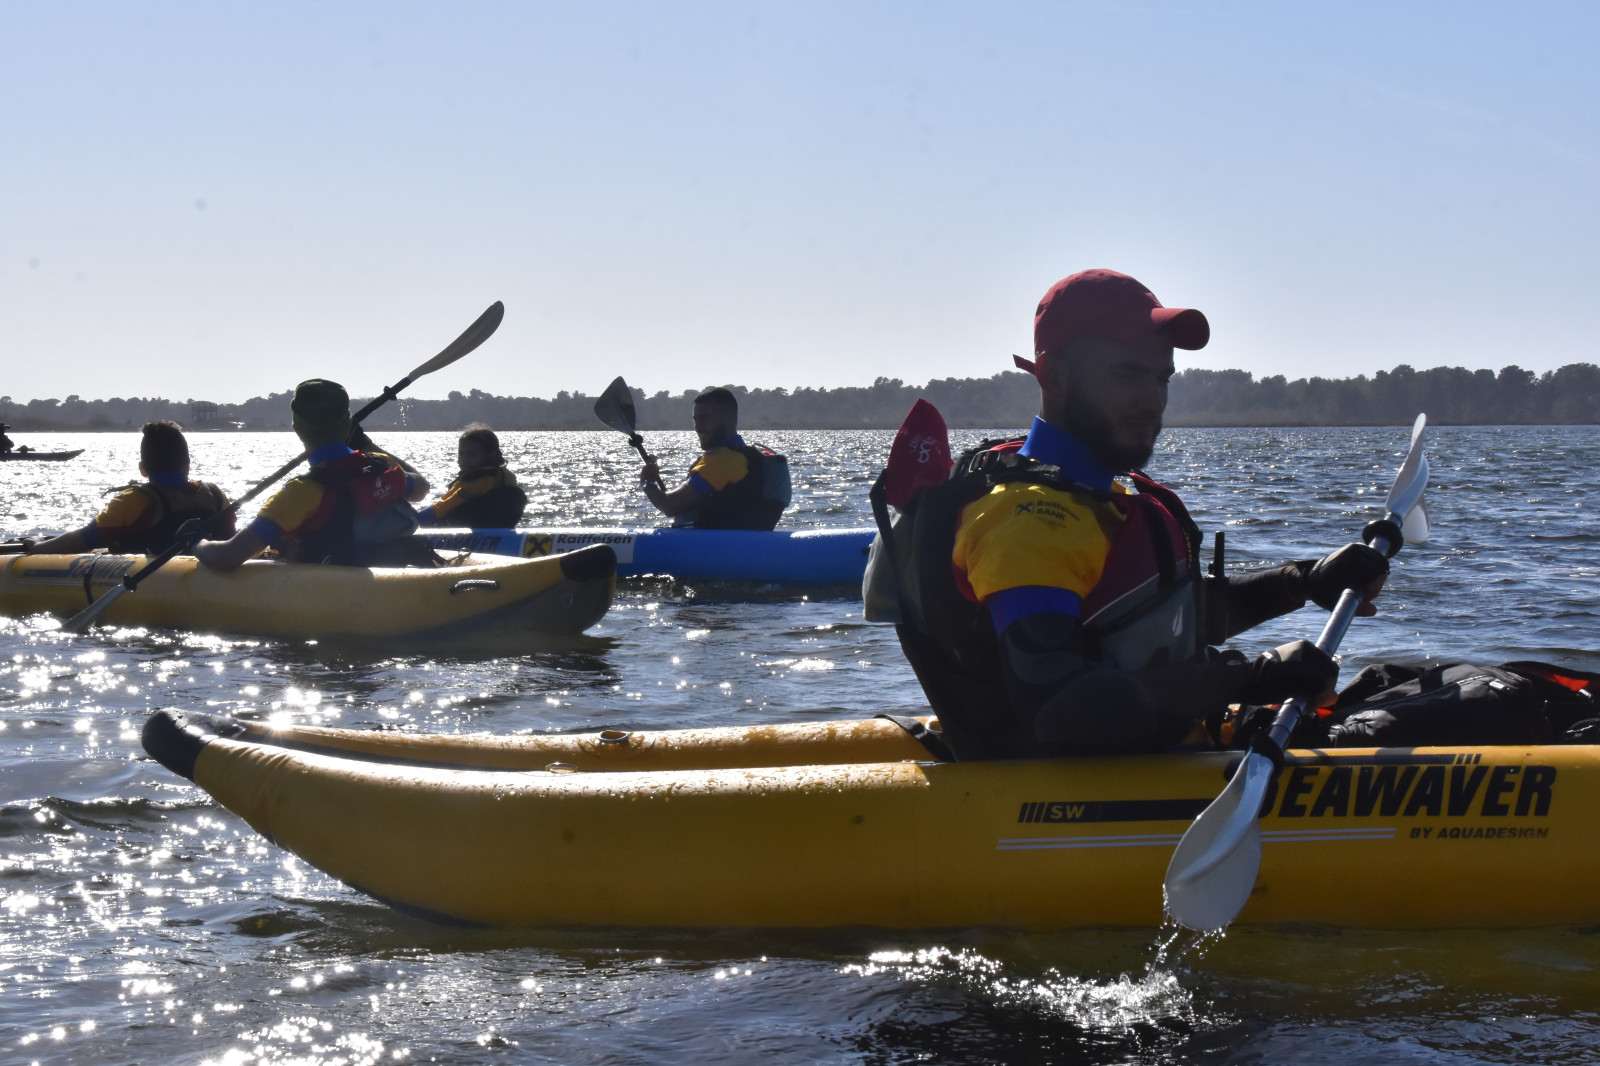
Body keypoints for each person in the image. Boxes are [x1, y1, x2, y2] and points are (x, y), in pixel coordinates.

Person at [885, 269, 1390, 760]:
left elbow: (1161, 622)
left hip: (1151, 755)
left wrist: (1300, 582)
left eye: (1161, 377)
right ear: (1055, 376)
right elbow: (1059, 703)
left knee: (1416, 685)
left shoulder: (1089, 494)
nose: (1152, 399)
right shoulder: (1031, 521)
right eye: (1127, 374)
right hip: (1063, 791)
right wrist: (1248, 679)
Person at [193, 379, 432, 570]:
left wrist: (196, 542)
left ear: (297, 429)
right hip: (399, 572)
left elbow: (228, 557)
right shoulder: (382, 465)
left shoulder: (301, 493)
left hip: (342, 595)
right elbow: (421, 487)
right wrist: (364, 443)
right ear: (348, 425)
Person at [25, 421, 233, 555]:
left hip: (156, 582)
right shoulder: (215, 495)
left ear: (143, 469)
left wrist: (38, 546)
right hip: (211, 575)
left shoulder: (136, 500)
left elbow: (84, 539)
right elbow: (231, 538)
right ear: (187, 464)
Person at [639, 387, 790, 531]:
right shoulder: (747, 456)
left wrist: (648, 482)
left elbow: (670, 506)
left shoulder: (723, 460)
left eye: (705, 419)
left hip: (711, 545)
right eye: (696, 420)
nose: (698, 427)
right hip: (739, 543)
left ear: (729, 419)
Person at [417, 425, 528, 528]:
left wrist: (418, 520)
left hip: (475, 526)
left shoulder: (481, 481)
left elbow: (447, 505)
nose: (464, 460)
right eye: (461, 454)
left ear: (489, 456)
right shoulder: (504, 474)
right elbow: (447, 499)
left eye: (471, 454)